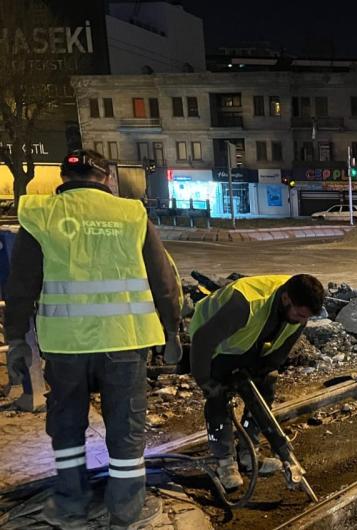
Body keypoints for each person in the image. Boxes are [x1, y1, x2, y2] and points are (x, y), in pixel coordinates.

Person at [4, 149, 181, 528]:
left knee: (67, 425)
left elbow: (20, 286)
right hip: (125, 341)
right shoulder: (131, 214)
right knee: (126, 429)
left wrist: (15, 338)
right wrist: (171, 330)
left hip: (66, 347)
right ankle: (126, 513)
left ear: (63, 180)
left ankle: (70, 506)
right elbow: (163, 282)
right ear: (106, 178)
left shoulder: (40, 214)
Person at [188, 274, 324, 490]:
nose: (300, 320)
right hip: (216, 345)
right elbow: (202, 340)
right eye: (299, 315)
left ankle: (248, 452)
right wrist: (204, 380)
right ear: (286, 299)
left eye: (304, 318)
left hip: (249, 342)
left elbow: (278, 354)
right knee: (218, 395)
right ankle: (225, 462)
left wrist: (262, 371)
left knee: (265, 385)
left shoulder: (299, 310)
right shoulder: (245, 304)